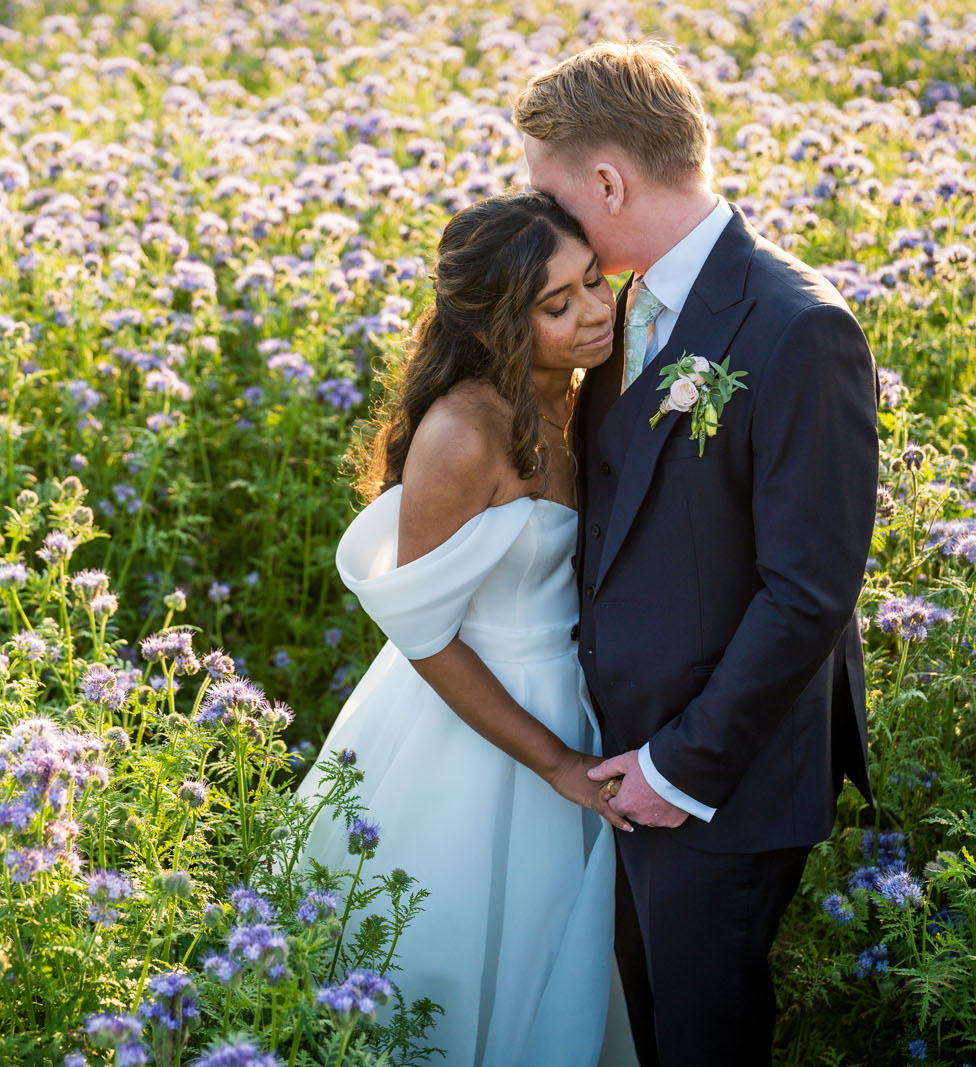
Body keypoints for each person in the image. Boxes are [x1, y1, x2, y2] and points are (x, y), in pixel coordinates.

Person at [512, 42, 878, 1067]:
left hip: (719, 774)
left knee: (700, 1040)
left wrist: (679, 765)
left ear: (606, 182)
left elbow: (807, 592)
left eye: (545, 191)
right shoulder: (618, 298)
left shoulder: (797, 328)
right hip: (616, 757)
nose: (534, 216)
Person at [293, 193, 639, 1066]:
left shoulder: (587, 386)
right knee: (447, 961)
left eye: (594, 280)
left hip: (578, 695)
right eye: (557, 306)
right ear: (493, 328)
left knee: (561, 954)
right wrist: (556, 761)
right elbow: (423, 635)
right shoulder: (461, 433)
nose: (595, 311)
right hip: (472, 719)